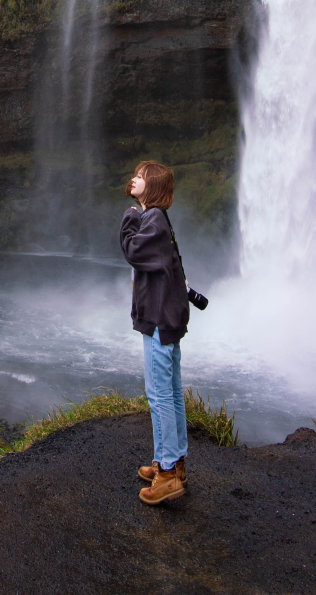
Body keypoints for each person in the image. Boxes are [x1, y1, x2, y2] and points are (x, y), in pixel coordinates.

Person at [120, 159, 189, 505]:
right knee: (171, 393)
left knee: (159, 395)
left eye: (141, 177)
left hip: (160, 321)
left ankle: (167, 473)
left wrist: (130, 217)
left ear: (154, 187)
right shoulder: (159, 221)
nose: (134, 179)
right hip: (168, 318)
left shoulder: (152, 220)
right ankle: (172, 463)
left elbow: (133, 251)